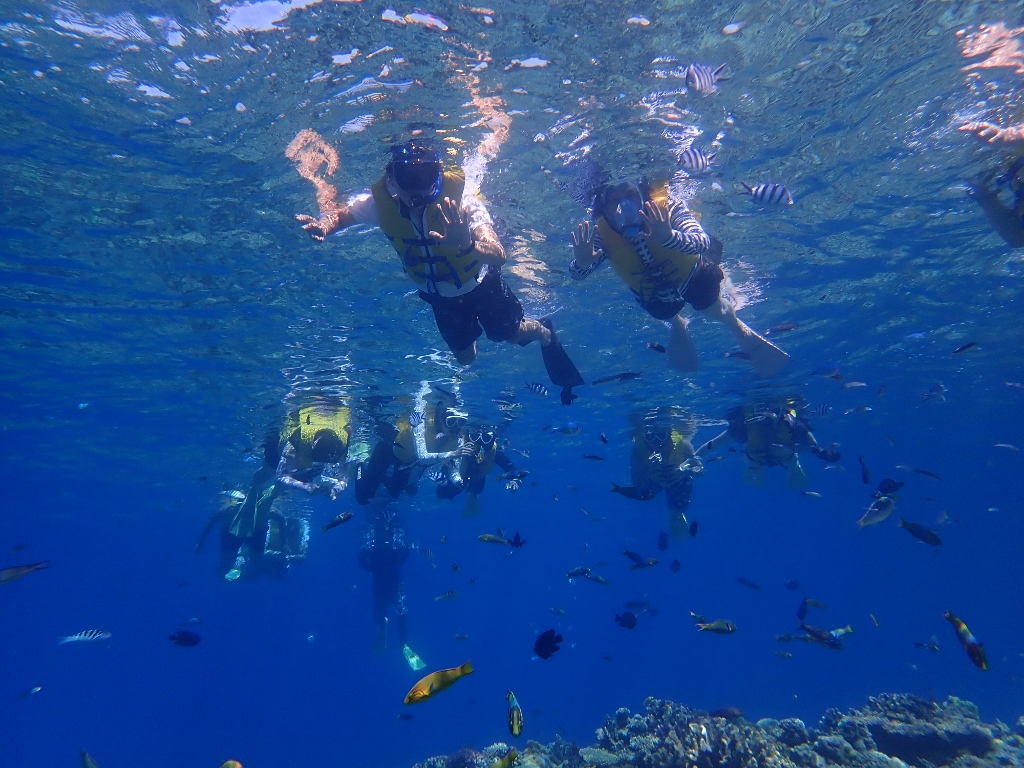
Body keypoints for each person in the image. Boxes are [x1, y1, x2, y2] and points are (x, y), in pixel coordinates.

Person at [289, 135, 584, 404]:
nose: (418, 187)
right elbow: (342, 215)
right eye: (408, 176)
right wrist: (325, 226)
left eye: (426, 175)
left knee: (508, 334)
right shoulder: (379, 205)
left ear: (439, 175)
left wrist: (467, 244)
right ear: (391, 179)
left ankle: (545, 332)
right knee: (466, 359)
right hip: (441, 297)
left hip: (482, 285)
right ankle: (486, 331)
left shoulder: (462, 203)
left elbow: (499, 255)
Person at [568, 178, 789, 378]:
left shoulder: (669, 208)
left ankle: (733, 322)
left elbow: (702, 242)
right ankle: (677, 322)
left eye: (630, 195)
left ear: (643, 193)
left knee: (712, 306)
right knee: (665, 312)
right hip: (654, 296)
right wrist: (582, 264)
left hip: (694, 277)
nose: (624, 207)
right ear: (603, 209)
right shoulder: (601, 234)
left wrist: (669, 237)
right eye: (614, 201)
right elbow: (578, 274)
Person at [197, 402, 352, 580]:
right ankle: (254, 491)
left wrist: (336, 490)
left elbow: (343, 477)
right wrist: (306, 487)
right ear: (311, 452)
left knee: (298, 478)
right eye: (317, 460)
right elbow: (281, 475)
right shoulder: (297, 440)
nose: (321, 465)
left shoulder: (341, 445)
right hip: (279, 446)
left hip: (262, 524)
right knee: (266, 473)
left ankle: (245, 567)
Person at [353, 381, 474, 505]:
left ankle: (379, 478)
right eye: (451, 422)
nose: (456, 428)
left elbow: (454, 470)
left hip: (407, 462)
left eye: (461, 423)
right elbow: (422, 456)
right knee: (363, 498)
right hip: (388, 451)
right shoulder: (422, 423)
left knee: (396, 492)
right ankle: (360, 461)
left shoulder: (457, 440)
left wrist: (458, 481)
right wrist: (451, 454)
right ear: (440, 418)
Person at [695, 398, 839, 489]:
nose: (768, 416)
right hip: (756, 461)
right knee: (754, 470)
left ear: (781, 411)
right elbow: (713, 443)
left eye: (774, 411)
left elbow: (812, 445)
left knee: (791, 463)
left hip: (784, 457)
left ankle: (793, 468)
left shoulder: (791, 423)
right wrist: (694, 458)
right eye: (763, 412)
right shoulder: (743, 427)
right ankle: (757, 473)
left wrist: (792, 449)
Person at [358, 508, 425, 670]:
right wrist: (382, 567)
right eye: (381, 529)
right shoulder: (375, 544)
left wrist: (375, 568)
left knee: (401, 614)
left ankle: (403, 643)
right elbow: (361, 559)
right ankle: (386, 628)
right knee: (387, 612)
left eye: (385, 529)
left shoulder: (385, 544)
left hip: (391, 586)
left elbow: (362, 559)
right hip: (387, 585)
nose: (383, 532)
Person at [629, 408, 704, 541]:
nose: (658, 442)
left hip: (677, 480)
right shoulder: (638, 452)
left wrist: (685, 470)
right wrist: (648, 467)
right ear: (645, 438)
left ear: (669, 433)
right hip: (653, 482)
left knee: (683, 486)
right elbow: (636, 484)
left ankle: (676, 513)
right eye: (651, 437)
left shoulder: (683, 446)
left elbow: (699, 469)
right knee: (641, 494)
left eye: (662, 435)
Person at [436, 422, 522, 517]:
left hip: (477, 478)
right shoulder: (460, 444)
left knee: (475, 490)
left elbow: (512, 468)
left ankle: (472, 501)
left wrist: (515, 480)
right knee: (442, 495)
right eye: (475, 436)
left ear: (492, 440)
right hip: (455, 473)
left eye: (486, 438)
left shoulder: (495, 452)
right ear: (469, 437)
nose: (479, 443)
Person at [960, 120, 1024, 247]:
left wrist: (981, 191)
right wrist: (1008, 137)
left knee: (1016, 238)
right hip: (1013, 138)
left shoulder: (1017, 236)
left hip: (1010, 157)